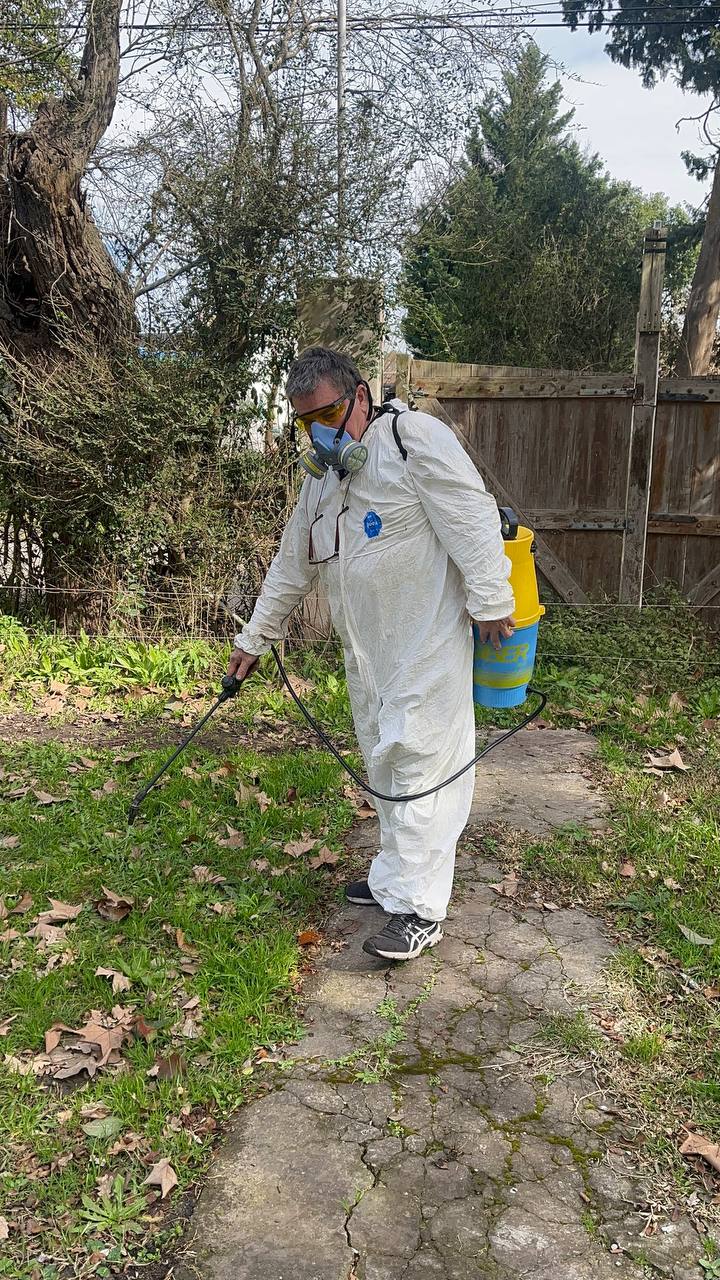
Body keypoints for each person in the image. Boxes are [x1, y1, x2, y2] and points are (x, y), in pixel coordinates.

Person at [227, 346, 515, 961]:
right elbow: (291, 563)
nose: (319, 432)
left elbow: (471, 515)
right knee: (383, 763)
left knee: (420, 765)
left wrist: (492, 600)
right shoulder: (324, 482)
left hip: (427, 644)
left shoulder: (413, 439)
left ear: (359, 397)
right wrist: (256, 637)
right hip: (367, 656)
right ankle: (393, 878)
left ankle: (420, 909)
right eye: (305, 422)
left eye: (327, 414)